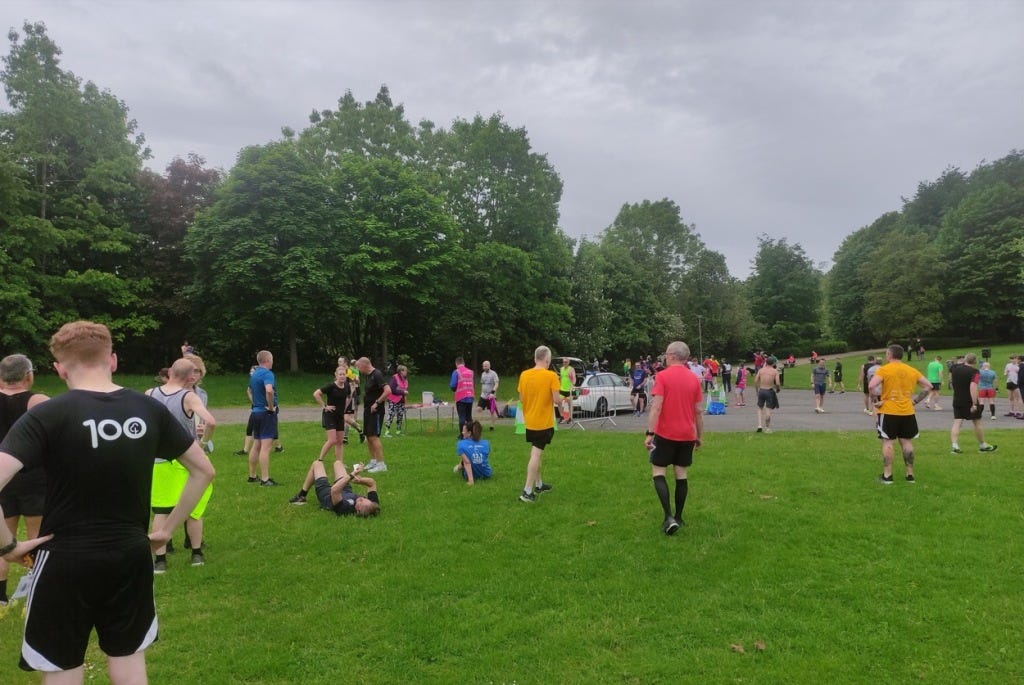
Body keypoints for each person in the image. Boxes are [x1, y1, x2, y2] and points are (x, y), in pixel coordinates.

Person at [0, 320, 215, 681]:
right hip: (129, 556)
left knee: (61, 668)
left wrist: (8, 545)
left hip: (64, 560)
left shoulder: (47, 414)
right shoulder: (146, 409)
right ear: (112, 360)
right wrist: (167, 530)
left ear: (59, 368)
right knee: (129, 664)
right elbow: (204, 471)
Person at [147, 358, 217, 571]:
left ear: (169, 373)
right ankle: (196, 554)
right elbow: (211, 421)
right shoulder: (189, 396)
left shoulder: (150, 394)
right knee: (193, 509)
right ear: (189, 378)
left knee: (161, 511)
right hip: (186, 460)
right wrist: (204, 443)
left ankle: (160, 561)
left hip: (158, 460)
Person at [0, 355, 48, 607]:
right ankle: (35, 585)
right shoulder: (37, 400)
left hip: (2, 478)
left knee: (2, 539)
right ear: (28, 376)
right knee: (36, 536)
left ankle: (0, 596)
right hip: (33, 477)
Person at [644, 341, 703, 536]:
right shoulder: (695, 379)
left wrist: (650, 433)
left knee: (658, 471)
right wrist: (699, 437)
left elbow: (656, 406)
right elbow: (698, 412)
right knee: (681, 474)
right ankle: (679, 516)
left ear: (670, 355)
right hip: (687, 434)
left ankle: (668, 517)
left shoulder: (662, 376)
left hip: (665, 433)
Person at [868, 344, 933, 484]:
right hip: (907, 411)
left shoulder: (884, 369)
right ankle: (910, 475)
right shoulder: (911, 370)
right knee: (906, 441)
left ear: (889, 355)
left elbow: (871, 385)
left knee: (888, 442)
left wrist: (875, 401)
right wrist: (915, 402)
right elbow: (929, 386)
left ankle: (887, 475)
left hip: (889, 410)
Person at [517, 346, 560, 503]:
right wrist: (563, 408)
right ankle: (527, 491)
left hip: (530, 422)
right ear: (547, 360)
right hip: (544, 423)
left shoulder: (524, 375)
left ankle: (539, 484)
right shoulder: (551, 376)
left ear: (535, 359)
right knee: (536, 455)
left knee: (536, 452)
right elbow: (556, 400)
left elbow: (522, 399)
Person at [288, 460, 380, 516]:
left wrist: (352, 475)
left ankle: (301, 495)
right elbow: (372, 483)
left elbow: (335, 490)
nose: (361, 498)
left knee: (317, 464)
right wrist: (360, 481)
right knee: (338, 463)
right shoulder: (372, 506)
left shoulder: (345, 509)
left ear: (358, 510)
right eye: (364, 499)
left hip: (328, 495)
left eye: (361, 502)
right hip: (345, 490)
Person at [949, 353, 998, 454]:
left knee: (957, 422)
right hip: (969, 400)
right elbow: (973, 386)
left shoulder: (955, 369)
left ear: (965, 359)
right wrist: (974, 403)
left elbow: (951, 369)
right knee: (977, 422)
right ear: (975, 362)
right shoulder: (975, 372)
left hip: (957, 399)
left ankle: (954, 446)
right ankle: (982, 445)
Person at [246, 350, 280, 486]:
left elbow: (249, 391)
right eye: (272, 360)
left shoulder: (254, 375)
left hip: (255, 412)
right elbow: (269, 390)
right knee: (266, 447)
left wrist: (255, 403)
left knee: (256, 445)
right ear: (267, 360)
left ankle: (252, 476)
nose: (272, 362)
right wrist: (271, 407)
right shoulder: (267, 373)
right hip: (266, 414)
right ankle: (265, 479)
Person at [313, 367, 352, 467]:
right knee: (332, 440)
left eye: (344, 374)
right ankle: (319, 460)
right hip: (330, 415)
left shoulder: (347, 386)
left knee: (339, 441)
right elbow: (316, 394)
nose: (342, 376)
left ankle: (339, 463)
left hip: (340, 416)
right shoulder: (331, 386)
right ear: (336, 375)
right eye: (340, 374)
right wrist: (324, 406)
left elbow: (349, 397)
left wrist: (344, 409)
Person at [357, 357, 390, 473]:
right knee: (368, 436)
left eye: (359, 367)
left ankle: (382, 464)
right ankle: (373, 461)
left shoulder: (377, 374)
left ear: (365, 365)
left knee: (374, 436)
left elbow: (388, 390)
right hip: (368, 410)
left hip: (376, 411)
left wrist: (377, 403)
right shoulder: (368, 375)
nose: (358, 369)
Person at [453, 420, 492, 486]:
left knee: (466, 457)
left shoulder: (461, 444)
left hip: (472, 474)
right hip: (486, 474)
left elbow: (467, 462)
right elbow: (484, 457)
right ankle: (458, 467)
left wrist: (471, 481)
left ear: (469, 433)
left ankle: (458, 468)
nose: (462, 433)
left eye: (463, 431)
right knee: (468, 455)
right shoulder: (486, 443)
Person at [753, 356, 781, 433]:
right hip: (769, 390)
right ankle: (767, 428)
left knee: (759, 408)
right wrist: (778, 389)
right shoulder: (775, 371)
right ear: (773, 363)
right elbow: (778, 383)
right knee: (768, 409)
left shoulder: (761, 370)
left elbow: (755, 381)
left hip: (761, 390)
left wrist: (757, 391)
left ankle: (759, 425)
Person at [450, 356, 475, 431]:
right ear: (464, 363)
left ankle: (462, 434)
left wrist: (454, 390)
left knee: (462, 417)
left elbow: (453, 385)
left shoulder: (456, 372)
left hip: (461, 397)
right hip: (470, 396)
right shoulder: (471, 372)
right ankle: (471, 433)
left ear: (456, 363)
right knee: (469, 417)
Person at [383, 364, 409, 437]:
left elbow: (405, 391)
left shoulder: (405, 379)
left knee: (400, 415)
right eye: (405, 370)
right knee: (391, 415)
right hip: (393, 400)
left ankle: (398, 431)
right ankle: (387, 432)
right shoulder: (395, 378)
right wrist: (402, 392)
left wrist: (405, 403)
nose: (406, 372)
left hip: (401, 400)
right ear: (401, 371)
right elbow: (392, 389)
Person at [477, 360, 500, 430]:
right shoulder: (483, 374)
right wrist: (481, 392)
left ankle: (491, 426)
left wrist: (492, 393)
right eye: (483, 366)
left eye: (486, 366)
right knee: (479, 409)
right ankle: (479, 425)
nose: (484, 367)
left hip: (491, 397)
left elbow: (497, 383)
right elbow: (482, 384)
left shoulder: (493, 374)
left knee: (492, 411)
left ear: (489, 366)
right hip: (483, 395)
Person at [558, 357, 576, 424]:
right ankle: (562, 416)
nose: (564, 363)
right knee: (559, 402)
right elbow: (561, 378)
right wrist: (559, 385)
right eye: (563, 362)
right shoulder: (561, 369)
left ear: (568, 362)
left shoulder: (571, 369)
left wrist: (573, 385)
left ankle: (570, 418)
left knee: (569, 404)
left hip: (569, 390)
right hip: (562, 389)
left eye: (566, 362)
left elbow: (574, 378)